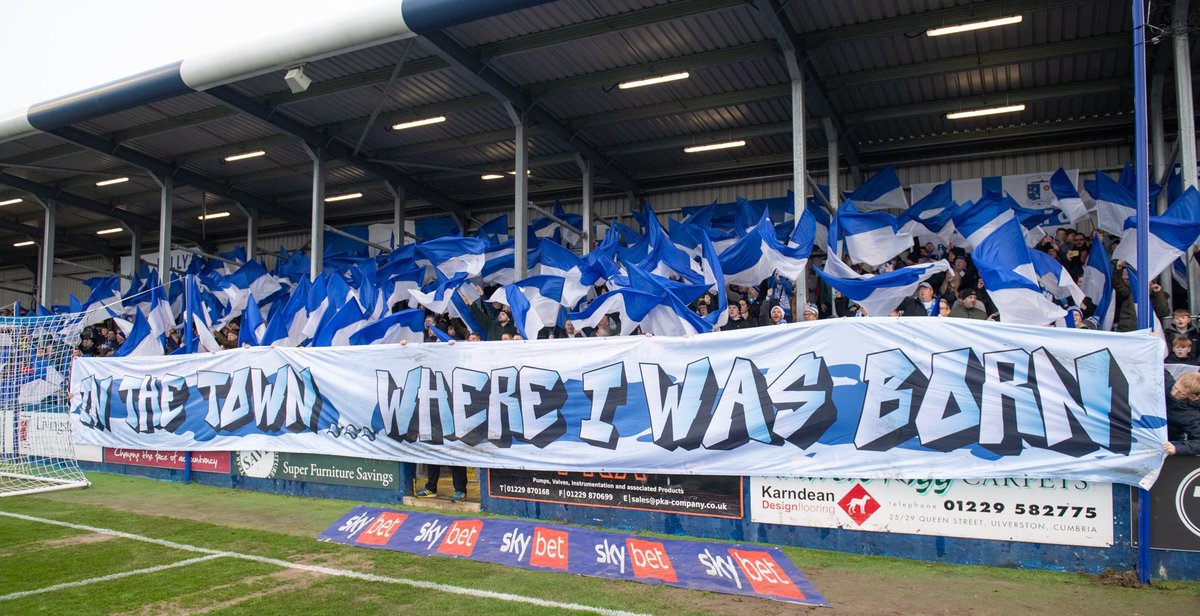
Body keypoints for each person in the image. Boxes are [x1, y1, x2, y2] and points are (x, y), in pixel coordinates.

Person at [1164, 372, 1200, 456]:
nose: (1173, 393)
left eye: (1180, 393)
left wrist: (1177, 448)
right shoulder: (1168, 383)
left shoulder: (1192, 417)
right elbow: (1154, 366)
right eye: (1175, 387)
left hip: (1165, 442)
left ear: (1193, 397)